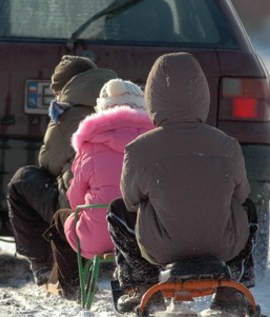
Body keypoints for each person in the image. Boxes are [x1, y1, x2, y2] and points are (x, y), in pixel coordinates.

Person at [107, 52, 258, 313]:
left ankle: (141, 285)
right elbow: (241, 195)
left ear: (152, 95)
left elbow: (130, 202)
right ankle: (233, 287)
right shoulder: (226, 145)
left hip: (162, 248)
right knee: (249, 209)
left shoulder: (138, 150)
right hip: (221, 244)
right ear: (201, 93)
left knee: (117, 210)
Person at [7, 55, 117, 286]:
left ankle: (43, 264)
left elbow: (48, 161)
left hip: (85, 213)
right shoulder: (128, 107)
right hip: (130, 214)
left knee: (22, 181)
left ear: (65, 87)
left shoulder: (68, 112)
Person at [43, 79, 155, 299]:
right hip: (147, 234)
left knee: (62, 219)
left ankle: (73, 287)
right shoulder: (154, 141)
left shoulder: (90, 145)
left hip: (100, 235)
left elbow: (75, 200)